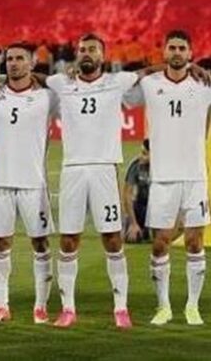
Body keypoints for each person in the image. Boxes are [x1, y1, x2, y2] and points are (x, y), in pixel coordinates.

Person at [124, 29, 211, 326]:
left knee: (194, 242)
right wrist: (153, 69)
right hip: (163, 178)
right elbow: (123, 88)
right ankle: (164, 307)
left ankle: (193, 307)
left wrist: (201, 71)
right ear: (165, 52)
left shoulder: (204, 84)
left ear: (190, 53)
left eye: (182, 48)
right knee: (160, 243)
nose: (177, 52)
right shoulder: (151, 84)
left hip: (195, 177)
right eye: (172, 48)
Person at [44, 33, 137, 328]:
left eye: (93, 49)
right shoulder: (61, 83)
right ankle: (68, 309)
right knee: (68, 239)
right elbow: (32, 79)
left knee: (112, 238)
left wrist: (192, 69)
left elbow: (150, 72)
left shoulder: (117, 82)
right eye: (82, 49)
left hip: (104, 170)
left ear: (103, 55)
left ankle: (120, 309)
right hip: (72, 170)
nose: (86, 53)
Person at [0, 43, 58, 324]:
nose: (14, 63)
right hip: (1, 183)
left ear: (32, 63)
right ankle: (1, 306)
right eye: (9, 59)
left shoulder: (47, 97)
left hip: (35, 184)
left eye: (20, 58)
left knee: (40, 243)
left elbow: (68, 86)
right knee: (1, 244)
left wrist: (42, 77)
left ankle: (40, 306)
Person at [123, 140, 151, 243]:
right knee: (132, 238)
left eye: (145, 154)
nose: (140, 156)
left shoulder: (163, 167)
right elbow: (127, 194)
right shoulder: (136, 165)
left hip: (158, 207)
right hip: (141, 207)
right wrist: (133, 223)